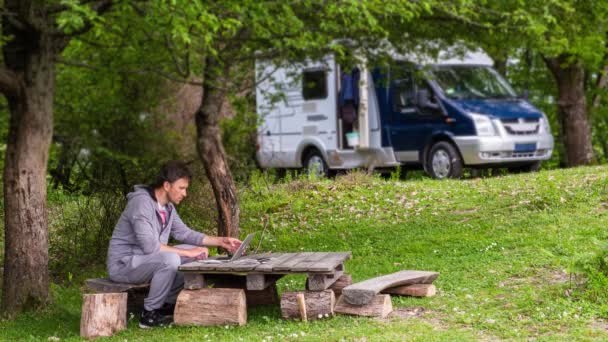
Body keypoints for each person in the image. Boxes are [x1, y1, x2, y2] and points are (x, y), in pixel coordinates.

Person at [106, 160, 242, 328]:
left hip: (146, 260)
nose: (185, 193)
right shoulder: (141, 204)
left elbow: (183, 233)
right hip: (124, 265)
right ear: (167, 185)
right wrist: (186, 253)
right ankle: (149, 314)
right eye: (182, 188)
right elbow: (151, 247)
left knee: (197, 254)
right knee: (171, 259)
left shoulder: (167, 207)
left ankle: (166, 304)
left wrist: (221, 241)